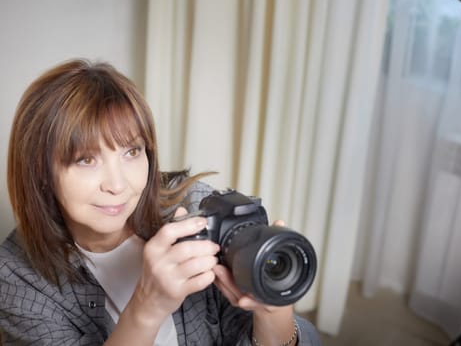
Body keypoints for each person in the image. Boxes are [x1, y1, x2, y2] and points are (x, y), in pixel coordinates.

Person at [0, 59, 321, 345]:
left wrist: (273, 312)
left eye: (132, 151)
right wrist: (146, 307)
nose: (117, 184)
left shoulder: (194, 207)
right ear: (40, 172)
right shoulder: (16, 276)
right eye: (86, 160)